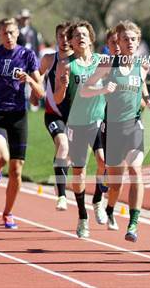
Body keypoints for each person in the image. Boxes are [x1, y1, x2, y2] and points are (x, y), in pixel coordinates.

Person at [81, 20, 150, 242]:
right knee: (116, 183)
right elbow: (86, 90)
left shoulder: (142, 65)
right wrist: (104, 88)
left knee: (135, 170)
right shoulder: (107, 65)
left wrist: (147, 101)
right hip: (112, 129)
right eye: (125, 39)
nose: (130, 43)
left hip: (133, 126)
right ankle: (111, 207)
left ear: (138, 41)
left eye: (134, 39)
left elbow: (142, 91)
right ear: (118, 42)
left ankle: (133, 223)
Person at [0, 18, 44, 228]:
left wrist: (29, 81)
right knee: (3, 159)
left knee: (16, 171)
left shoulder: (27, 55)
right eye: (5, 33)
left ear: (17, 33)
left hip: (19, 116)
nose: (9, 37)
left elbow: (40, 92)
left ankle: (7, 212)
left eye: (12, 32)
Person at [54, 20, 107, 238]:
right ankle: (83, 216)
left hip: (97, 120)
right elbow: (58, 99)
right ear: (72, 42)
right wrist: (64, 85)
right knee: (79, 172)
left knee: (104, 161)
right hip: (76, 123)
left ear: (91, 38)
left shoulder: (102, 62)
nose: (80, 38)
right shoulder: (66, 65)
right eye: (76, 36)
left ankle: (97, 201)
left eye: (84, 34)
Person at [39, 22, 73, 211]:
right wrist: (36, 93)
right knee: (63, 144)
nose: (65, 40)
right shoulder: (48, 60)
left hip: (76, 117)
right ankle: (61, 195)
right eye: (61, 36)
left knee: (69, 157)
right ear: (56, 37)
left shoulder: (80, 61)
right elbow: (36, 76)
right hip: (54, 114)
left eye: (68, 36)